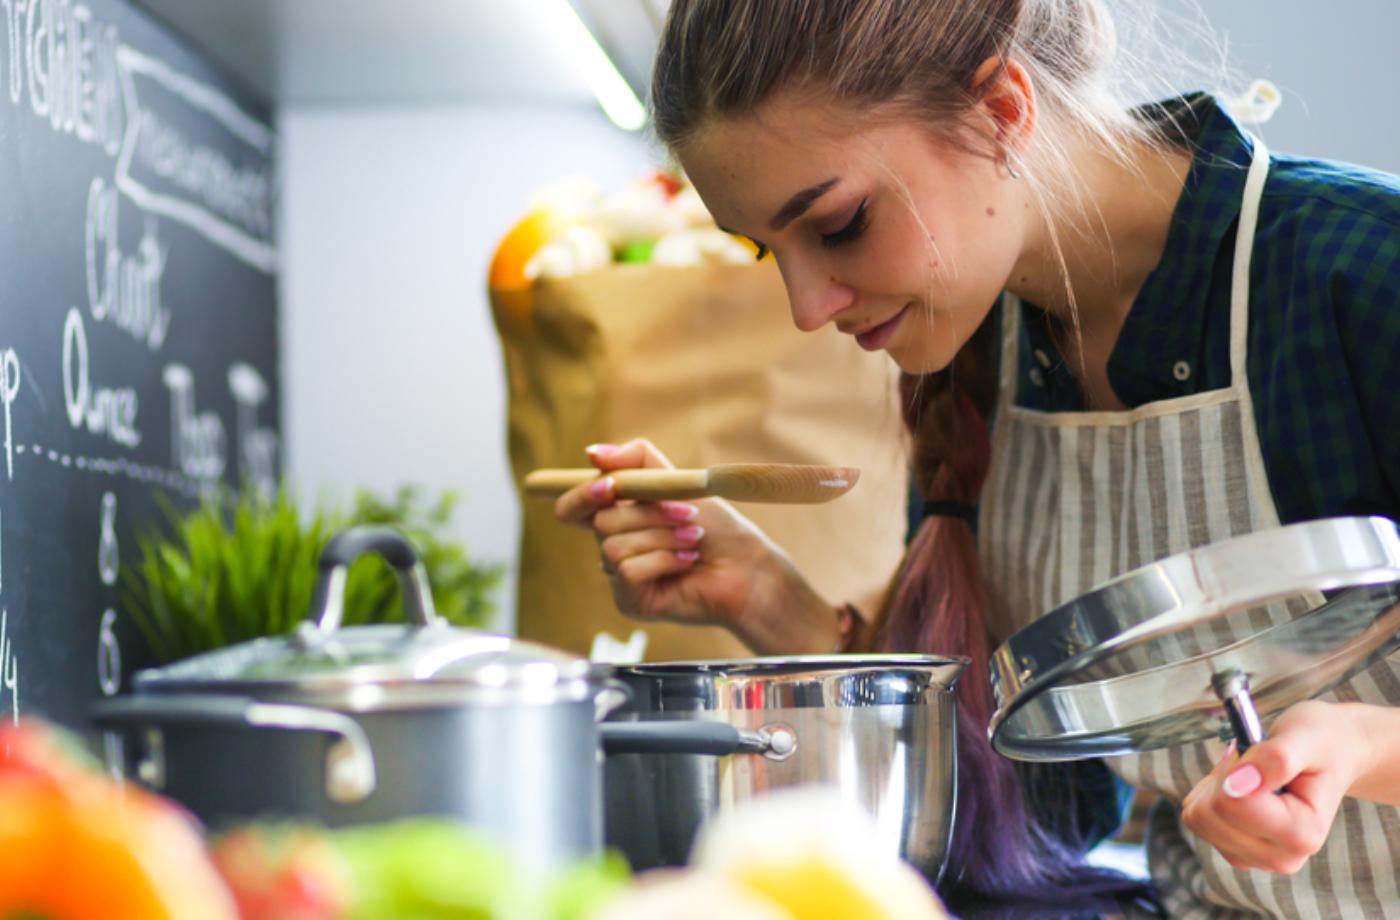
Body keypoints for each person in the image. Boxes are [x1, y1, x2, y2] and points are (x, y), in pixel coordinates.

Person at [553, 1, 1400, 915]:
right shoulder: (980, 355)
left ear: (1001, 109)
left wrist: (1362, 744)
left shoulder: (1361, 271)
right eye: (769, 250)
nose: (807, 306)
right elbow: (1044, 805)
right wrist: (765, 597)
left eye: (838, 224)